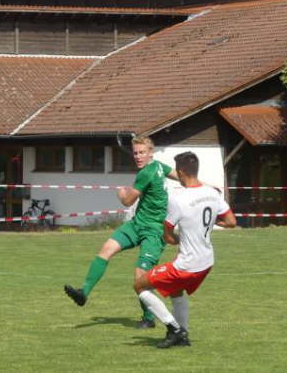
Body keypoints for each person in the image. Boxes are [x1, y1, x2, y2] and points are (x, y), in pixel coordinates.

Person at [64, 136, 180, 329]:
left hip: (155, 231)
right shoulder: (160, 166)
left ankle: (149, 318)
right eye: (135, 153)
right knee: (106, 249)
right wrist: (205, 185)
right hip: (136, 224)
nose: (138, 156)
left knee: (140, 277)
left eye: (142, 152)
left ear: (151, 152)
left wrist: (120, 192)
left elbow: (127, 201)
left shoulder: (147, 173)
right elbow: (182, 176)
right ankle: (83, 293)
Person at [133, 150, 236, 348]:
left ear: (180, 173)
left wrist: (180, 239)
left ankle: (175, 329)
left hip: (188, 264)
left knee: (139, 285)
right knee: (176, 290)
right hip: (207, 262)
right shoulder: (212, 193)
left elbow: (168, 236)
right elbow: (231, 221)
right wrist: (211, 222)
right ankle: (184, 334)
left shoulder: (178, 200)